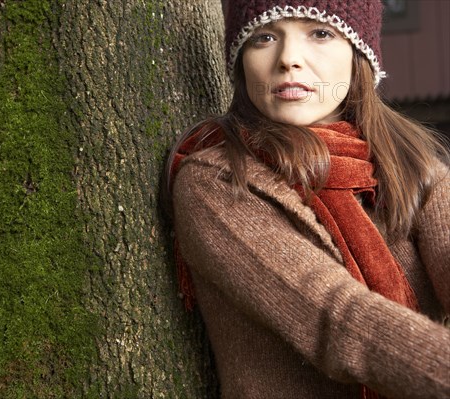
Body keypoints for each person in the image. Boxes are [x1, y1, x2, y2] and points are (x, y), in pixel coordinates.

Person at [162, 1, 450, 398]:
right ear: (242, 61)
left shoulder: (413, 163)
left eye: (320, 33)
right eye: (264, 37)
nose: (289, 60)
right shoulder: (217, 181)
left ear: (359, 54)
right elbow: (338, 321)